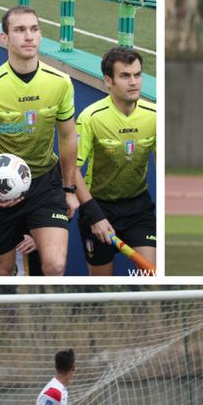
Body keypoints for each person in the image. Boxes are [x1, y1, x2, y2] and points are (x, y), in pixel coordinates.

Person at [0, 5, 78, 276]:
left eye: (34, 29)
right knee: (1, 270)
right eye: (20, 30)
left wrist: (69, 189)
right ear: (4, 38)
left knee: (55, 265)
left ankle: (48, 318)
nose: (29, 36)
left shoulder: (61, 82)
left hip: (45, 183)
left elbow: (68, 135)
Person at [75, 47, 157, 275]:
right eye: (125, 76)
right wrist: (94, 215)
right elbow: (72, 171)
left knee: (151, 275)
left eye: (137, 75)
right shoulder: (91, 117)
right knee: (102, 283)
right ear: (108, 80)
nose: (134, 82)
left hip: (139, 209)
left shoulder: (154, 116)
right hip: (98, 207)